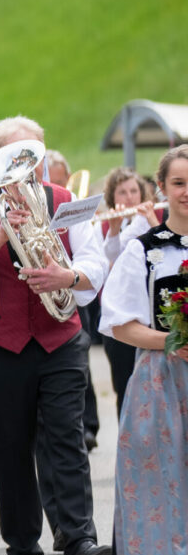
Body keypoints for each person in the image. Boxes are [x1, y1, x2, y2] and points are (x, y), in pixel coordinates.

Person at [0, 115, 110, 555]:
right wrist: (1, 234)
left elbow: (93, 260)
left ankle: (79, 539)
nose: (25, 167)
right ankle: (23, 548)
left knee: (67, 435)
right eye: (13, 157)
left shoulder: (66, 201)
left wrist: (68, 277)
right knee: (12, 446)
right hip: (0, 342)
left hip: (59, 334)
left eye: (32, 155)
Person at [101, 145, 188, 555]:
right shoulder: (145, 249)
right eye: (178, 183)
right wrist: (173, 341)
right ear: (163, 190)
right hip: (164, 377)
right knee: (171, 485)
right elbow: (119, 323)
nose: (187, 191)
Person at [99, 166, 162, 417]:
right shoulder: (106, 225)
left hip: (150, 312)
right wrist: (114, 229)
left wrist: (152, 222)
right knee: (124, 384)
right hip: (121, 314)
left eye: (134, 190)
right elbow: (110, 259)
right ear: (113, 197)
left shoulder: (158, 216)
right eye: (122, 192)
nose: (129, 197)